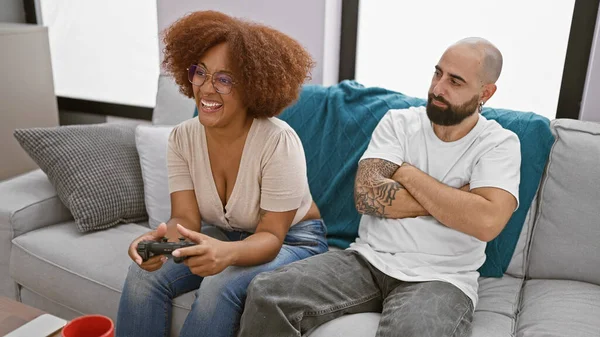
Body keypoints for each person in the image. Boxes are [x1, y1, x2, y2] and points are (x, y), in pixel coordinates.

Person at [238, 37, 521, 337]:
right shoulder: (398, 123)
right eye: (437, 73)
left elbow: (487, 222)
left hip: (441, 278)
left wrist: (408, 174)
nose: (438, 88)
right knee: (267, 292)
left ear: (485, 93)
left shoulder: (498, 144)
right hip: (367, 261)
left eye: (455, 81)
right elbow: (366, 196)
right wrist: (458, 201)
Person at [116, 10, 328, 337]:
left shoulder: (277, 141)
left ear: (253, 87)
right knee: (142, 275)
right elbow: (184, 219)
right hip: (230, 234)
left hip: (294, 240)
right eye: (201, 73)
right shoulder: (182, 138)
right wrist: (157, 242)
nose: (207, 88)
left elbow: (271, 237)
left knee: (219, 285)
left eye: (225, 79)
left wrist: (226, 255)